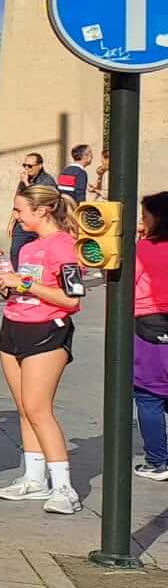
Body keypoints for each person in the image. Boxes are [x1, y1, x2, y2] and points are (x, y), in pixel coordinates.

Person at [0, 186, 87, 513]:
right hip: (14, 325)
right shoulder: (29, 248)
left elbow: (72, 299)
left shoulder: (64, 246)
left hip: (46, 331)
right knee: (24, 408)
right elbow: (24, 291)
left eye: (19, 210)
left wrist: (25, 284)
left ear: (42, 210)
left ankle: (64, 487)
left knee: (38, 408)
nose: (15, 217)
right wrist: (4, 282)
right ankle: (33, 477)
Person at [132, 192, 168, 483]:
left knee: (149, 396)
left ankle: (158, 461)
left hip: (150, 328)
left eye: (145, 217)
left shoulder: (143, 249)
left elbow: (126, 286)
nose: (143, 222)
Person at [10, 153, 59, 266]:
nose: (27, 169)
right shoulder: (24, 180)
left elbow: (39, 199)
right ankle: (18, 276)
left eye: (30, 166)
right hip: (23, 221)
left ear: (40, 165)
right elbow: (18, 200)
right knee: (15, 251)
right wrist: (12, 221)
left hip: (39, 222)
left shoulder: (47, 180)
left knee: (38, 254)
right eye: (25, 165)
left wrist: (26, 183)